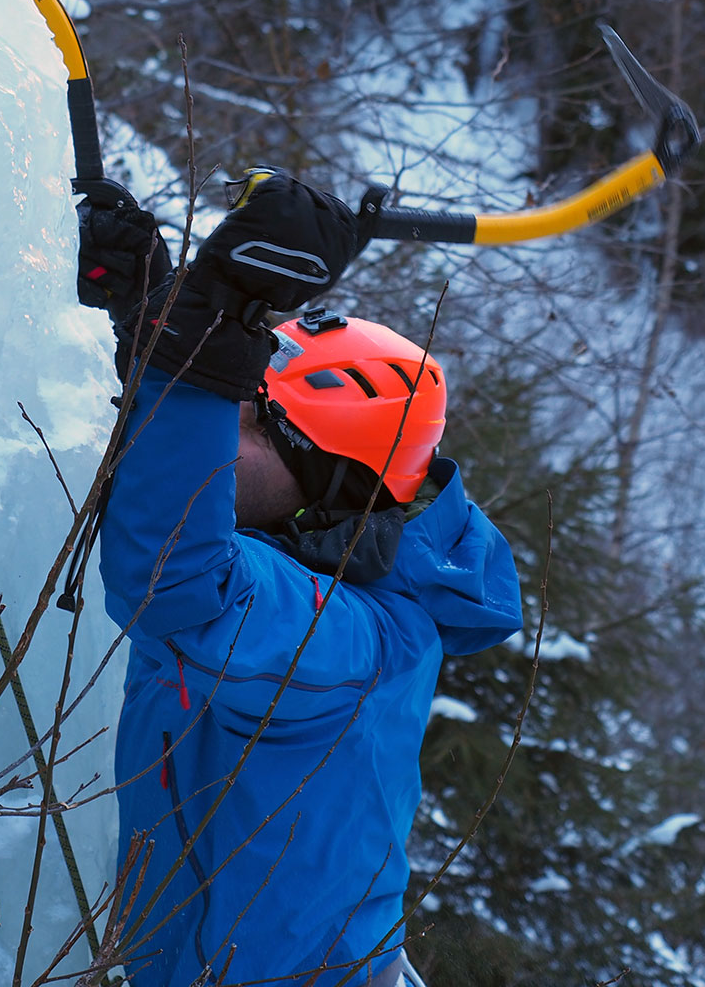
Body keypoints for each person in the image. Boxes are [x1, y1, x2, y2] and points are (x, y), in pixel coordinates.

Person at [77, 168, 523, 987]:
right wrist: (157, 321)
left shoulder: (360, 645)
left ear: (330, 481)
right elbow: (184, 487)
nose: (225, 435)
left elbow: (180, 584)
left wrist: (201, 345)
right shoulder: (296, 554)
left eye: (248, 420)